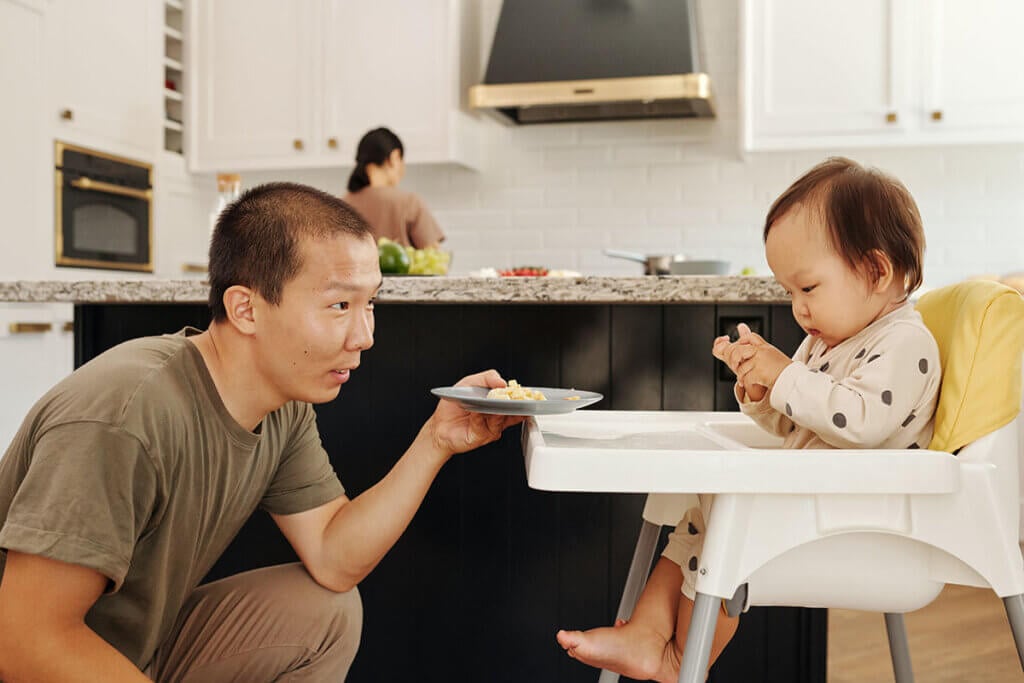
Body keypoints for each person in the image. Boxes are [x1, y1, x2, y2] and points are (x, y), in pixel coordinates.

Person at [0, 182, 521, 682]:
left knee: (325, 610)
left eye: (371, 304)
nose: (365, 336)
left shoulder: (281, 408)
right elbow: (25, 642)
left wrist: (435, 442)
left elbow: (335, 559)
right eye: (341, 305)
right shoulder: (124, 416)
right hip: (35, 659)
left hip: (135, 653)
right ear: (245, 309)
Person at [554, 157, 942, 682]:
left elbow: (862, 421)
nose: (798, 309)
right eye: (789, 292)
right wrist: (764, 392)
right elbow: (800, 427)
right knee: (696, 499)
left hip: (856, 522)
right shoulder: (830, 341)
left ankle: (677, 659)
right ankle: (646, 630)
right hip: (816, 504)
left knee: (721, 515)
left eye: (808, 288)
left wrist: (786, 377)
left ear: (876, 272)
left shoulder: (905, 342)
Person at [342, 127, 445, 249]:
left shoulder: (342, 205)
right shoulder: (409, 202)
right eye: (401, 160)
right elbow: (433, 254)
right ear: (394, 158)